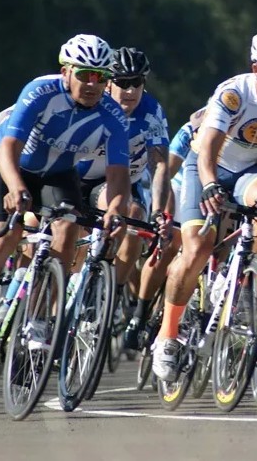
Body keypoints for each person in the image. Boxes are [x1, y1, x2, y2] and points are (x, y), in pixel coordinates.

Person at [0, 34, 132, 356]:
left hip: (57, 174)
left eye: (100, 77)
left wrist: (115, 207)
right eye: (85, 74)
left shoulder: (112, 115)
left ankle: (38, 318)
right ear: (65, 72)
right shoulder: (40, 92)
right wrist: (16, 186)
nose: (92, 83)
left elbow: (118, 175)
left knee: (68, 230)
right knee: (5, 237)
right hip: (11, 166)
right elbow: (8, 148)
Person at [152, 30, 257, 381]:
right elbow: (208, 147)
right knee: (196, 248)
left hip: (248, 171)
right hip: (207, 168)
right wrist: (210, 183)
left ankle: (242, 282)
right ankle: (167, 335)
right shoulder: (233, 93)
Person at [75, 46, 172, 338]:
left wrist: (159, 211)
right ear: (107, 82)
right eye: (122, 83)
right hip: (77, 178)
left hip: (121, 183)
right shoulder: (93, 103)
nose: (130, 90)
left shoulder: (152, 112)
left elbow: (159, 166)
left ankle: (110, 292)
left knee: (132, 219)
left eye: (136, 83)